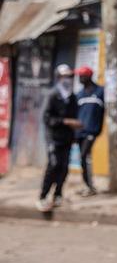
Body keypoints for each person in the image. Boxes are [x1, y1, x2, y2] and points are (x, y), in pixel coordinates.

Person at [37, 64, 80, 212]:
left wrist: (74, 130)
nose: (68, 79)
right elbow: (46, 118)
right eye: (65, 76)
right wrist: (65, 121)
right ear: (59, 78)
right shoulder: (52, 95)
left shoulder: (72, 97)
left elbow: (75, 116)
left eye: (70, 76)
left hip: (67, 138)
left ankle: (58, 195)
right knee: (53, 165)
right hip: (53, 138)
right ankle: (42, 196)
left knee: (64, 167)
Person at [73, 66, 105, 197]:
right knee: (84, 158)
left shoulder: (100, 92)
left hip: (92, 131)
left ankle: (90, 186)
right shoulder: (79, 95)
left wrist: (98, 129)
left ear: (89, 76)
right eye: (79, 76)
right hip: (80, 133)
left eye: (82, 76)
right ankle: (87, 185)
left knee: (84, 156)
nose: (80, 78)